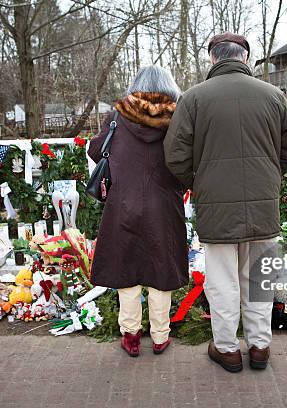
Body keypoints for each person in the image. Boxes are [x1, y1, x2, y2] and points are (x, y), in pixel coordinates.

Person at [164, 33, 287, 372]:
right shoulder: (274, 96)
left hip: (215, 206)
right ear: (246, 58)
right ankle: (259, 348)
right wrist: (269, 178)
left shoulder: (194, 99)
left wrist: (200, 184)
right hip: (262, 205)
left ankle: (226, 350)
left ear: (212, 59)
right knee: (257, 280)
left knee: (222, 281)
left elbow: (175, 155)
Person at [88, 65, 189, 357]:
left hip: (122, 203)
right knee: (161, 268)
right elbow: (186, 159)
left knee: (126, 268)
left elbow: (96, 150)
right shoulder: (178, 117)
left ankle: (131, 335)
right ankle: (160, 336)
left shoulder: (118, 117)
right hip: (164, 205)